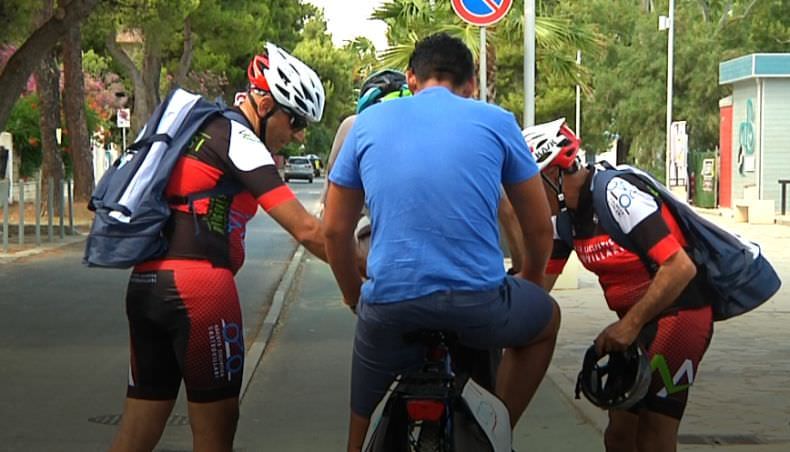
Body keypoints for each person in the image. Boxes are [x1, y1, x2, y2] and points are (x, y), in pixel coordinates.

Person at [322, 33, 561, 452]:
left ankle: (356, 442)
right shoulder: (497, 120)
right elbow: (540, 228)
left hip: (390, 304)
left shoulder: (367, 125)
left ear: (411, 78)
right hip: (480, 303)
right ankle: (494, 428)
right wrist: (530, 278)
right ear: (470, 85)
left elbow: (334, 231)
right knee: (547, 320)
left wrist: (352, 294)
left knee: (359, 419)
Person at [109, 42, 327, 452]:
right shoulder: (239, 139)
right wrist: (370, 275)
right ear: (263, 103)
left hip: (145, 286)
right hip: (200, 292)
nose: (298, 134)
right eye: (295, 119)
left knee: (135, 436)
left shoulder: (199, 129)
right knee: (215, 436)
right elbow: (308, 230)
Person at [526, 118, 713, 452]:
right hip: (639, 325)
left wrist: (629, 324)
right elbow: (537, 287)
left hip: (681, 315)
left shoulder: (614, 193)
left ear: (553, 173)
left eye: (529, 183)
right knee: (619, 435)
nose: (524, 194)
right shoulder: (565, 220)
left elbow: (680, 267)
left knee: (654, 434)